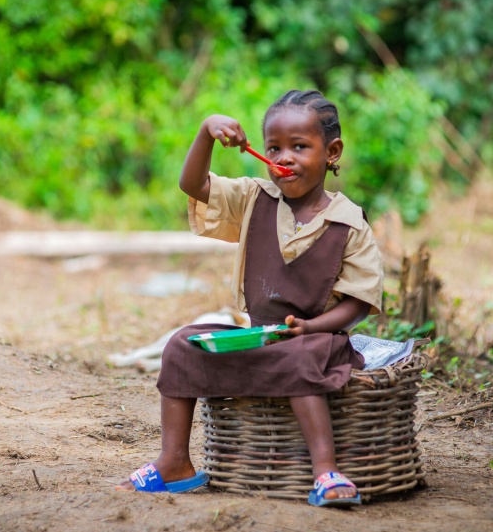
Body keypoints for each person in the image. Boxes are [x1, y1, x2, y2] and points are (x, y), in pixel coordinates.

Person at [117, 89, 383, 507]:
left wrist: (312, 327)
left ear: (332, 152)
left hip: (318, 343)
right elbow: (193, 184)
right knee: (181, 346)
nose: (285, 158)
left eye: (300, 146)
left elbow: (359, 303)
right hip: (260, 338)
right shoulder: (255, 198)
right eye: (274, 147)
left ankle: (325, 472)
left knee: (298, 357)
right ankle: (174, 462)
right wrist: (207, 131)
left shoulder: (349, 224)